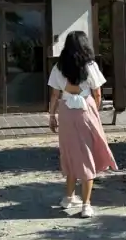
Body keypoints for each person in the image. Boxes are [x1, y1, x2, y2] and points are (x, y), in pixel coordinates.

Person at [48, 30, 117, 218]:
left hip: (65, 109)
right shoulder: (90, 65)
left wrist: (52, 115)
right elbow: (98, 93)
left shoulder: (58, 67)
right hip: (85, 107)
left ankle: (69, 197)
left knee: (69, 152)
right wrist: (95, 110)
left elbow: (54, 94)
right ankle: (86, 204)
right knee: (87, 153)